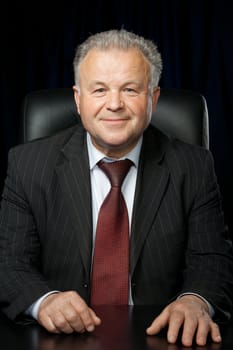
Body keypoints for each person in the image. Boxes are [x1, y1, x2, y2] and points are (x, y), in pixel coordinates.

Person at [0, 29, 232, 347]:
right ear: (78, 99)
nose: (114, 104)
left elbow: (212, 260)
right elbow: (10, 262)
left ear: (153, 98)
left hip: (159, 338)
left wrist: (195, 300)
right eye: (99, 90)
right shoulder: (27, 164)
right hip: (59, 340)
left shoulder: (193, 167)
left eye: (130, 89)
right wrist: (45, 300)